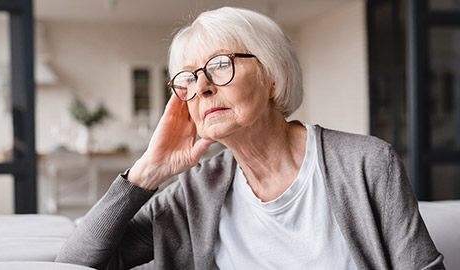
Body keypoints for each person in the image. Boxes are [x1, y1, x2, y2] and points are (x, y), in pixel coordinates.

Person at [55, 6, 444, 270]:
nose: (202, 87)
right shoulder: (194, 193)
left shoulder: (367, 163)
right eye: (188, 78)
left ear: (272, 77)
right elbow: (75, 263)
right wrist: (146, 174)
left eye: (220, 65)